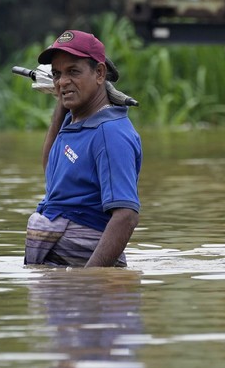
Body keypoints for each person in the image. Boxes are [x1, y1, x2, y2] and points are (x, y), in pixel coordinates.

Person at [25, 30, 142, 267]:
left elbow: (125, 216)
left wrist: (89, 281)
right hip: (62, 281)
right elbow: (52, 175)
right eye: (57, 74)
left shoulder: (110, 134)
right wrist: (62, 103)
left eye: (73, 72)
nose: (62, 81)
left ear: (99, 73)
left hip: (85, 288)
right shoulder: (75, 119)